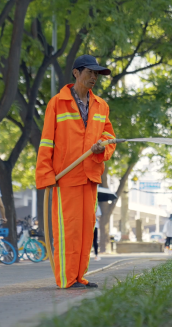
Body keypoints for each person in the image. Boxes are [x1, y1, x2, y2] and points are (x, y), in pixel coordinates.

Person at [35, 55, 117, 290]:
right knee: (67, 228)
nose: (94, 78)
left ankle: (79, 276)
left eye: (97, 74)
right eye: (90, 72)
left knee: (84, 229)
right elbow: (47, 141)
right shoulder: (57, 103)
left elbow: (110, 136)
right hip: (65, 177)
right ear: (76, 73)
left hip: (90, 175)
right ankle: (67, 278)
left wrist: (102, 145)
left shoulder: (101, 105)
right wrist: (46, 175)